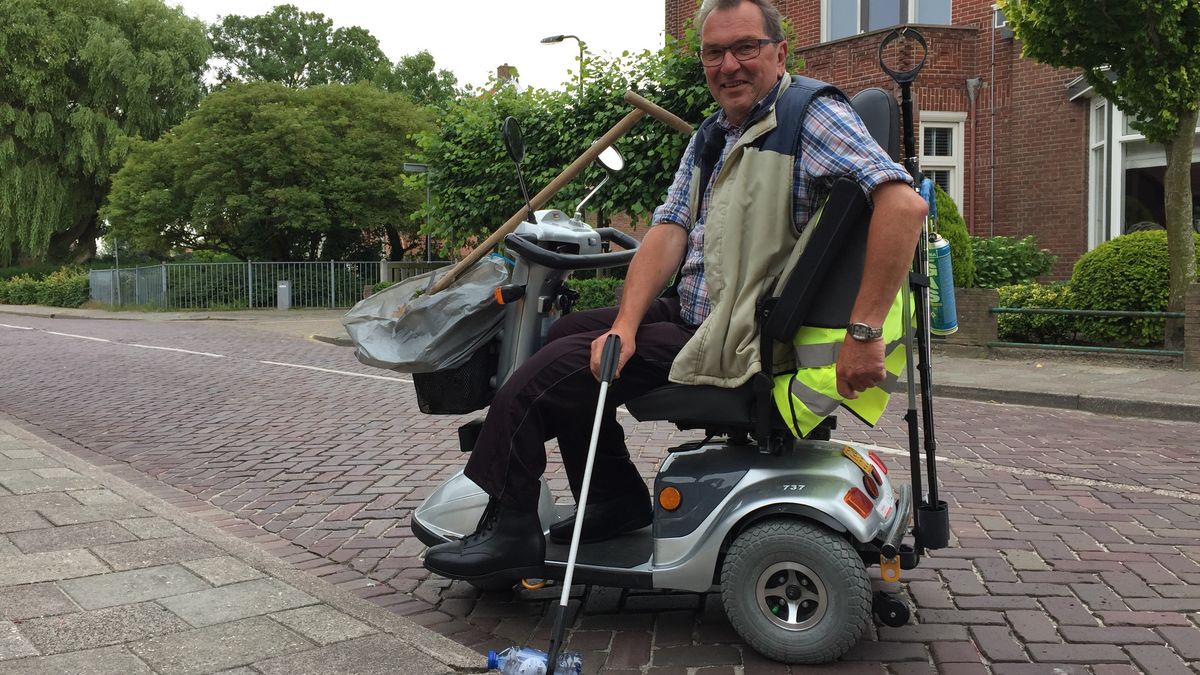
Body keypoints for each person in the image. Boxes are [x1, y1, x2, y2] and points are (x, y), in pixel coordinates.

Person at [423, 0, 927, 581]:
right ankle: (614, 497)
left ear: (780, 52)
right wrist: (625, 325)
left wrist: (864, 332)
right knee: (571, 334)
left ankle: (509, 528)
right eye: (715, 52)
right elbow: (669, 228)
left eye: (745, 48)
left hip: (744, 334)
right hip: (705, 310)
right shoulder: (717, 132)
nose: (729, 65)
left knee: (546, 373)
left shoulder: (809, 116)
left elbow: (903, 203)